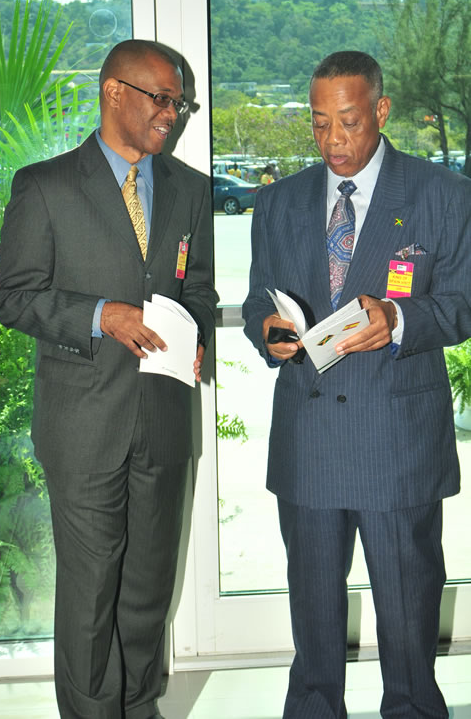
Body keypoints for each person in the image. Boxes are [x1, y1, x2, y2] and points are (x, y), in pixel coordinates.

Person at [0, 39, 218, 719]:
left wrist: (196, 336)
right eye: (162, 98)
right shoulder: (46, 186)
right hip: (84, 426)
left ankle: (139, 705)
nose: (172, 115)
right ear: (114, 92)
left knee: (149, 588)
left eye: (179, 103)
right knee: (91, 592)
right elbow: (14, 297)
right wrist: (99, 315)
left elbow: (197, 288)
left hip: (164, 417)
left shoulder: (189, 191)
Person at [242, 50, 471, 718]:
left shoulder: (442, 195)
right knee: (313, 614)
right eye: (319, 125)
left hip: (397, 439)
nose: (334, 141)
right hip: (309, 439)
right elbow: (260, 294)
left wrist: (400, 317)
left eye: (348, 122)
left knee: (407, 611)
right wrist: (269, 329)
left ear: (380, 110)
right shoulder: (278, 202)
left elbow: (463, 302)